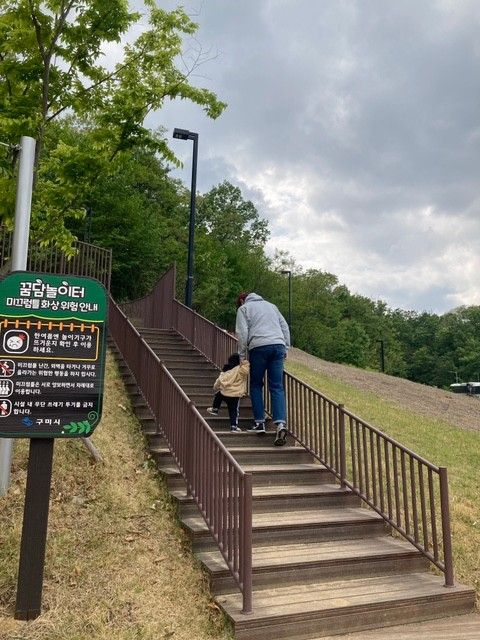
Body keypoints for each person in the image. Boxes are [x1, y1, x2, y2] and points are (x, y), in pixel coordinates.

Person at [235, 292, 290, 446]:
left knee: (256, 385)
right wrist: (286, 347)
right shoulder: (272, 306)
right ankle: (280, 424)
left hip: (258, 347)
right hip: (278, 346)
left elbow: (242, 332)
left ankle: (259, 423)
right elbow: (284, 326)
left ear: (242, 300)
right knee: (277, 386)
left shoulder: (244, 309)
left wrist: (241, 354)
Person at [207, 353, 250, 432]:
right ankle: (233, 426)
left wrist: (215, 387)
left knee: (218, 395)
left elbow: (220, 380)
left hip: (225, 393)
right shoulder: (241, 370)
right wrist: (243, 361)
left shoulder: (226, 369)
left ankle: (215, 408)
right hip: (235, 395)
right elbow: (247, 369)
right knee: (233, 410)